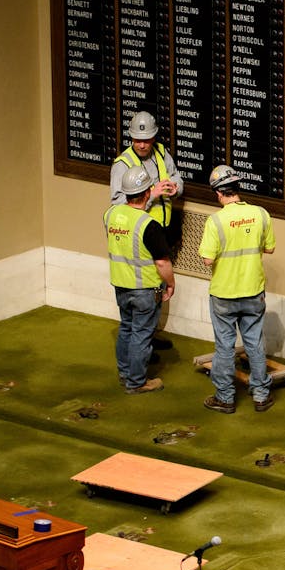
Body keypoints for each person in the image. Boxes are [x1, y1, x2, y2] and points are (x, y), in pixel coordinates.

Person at [198, 165, 276, 413]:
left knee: (225, 346)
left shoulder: (215, 221)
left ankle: (225, 398)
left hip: (224, 294)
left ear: (218, 194)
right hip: (253, 290)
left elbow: (208, 259)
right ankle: (261, 396)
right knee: (254, 342)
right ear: (237, 189)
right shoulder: (261, 214)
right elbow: (270, 248)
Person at [111, 111, 183, 349]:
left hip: (162, 228)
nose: (141, 144)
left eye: (146, 139)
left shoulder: (162, 152)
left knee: (157, 285)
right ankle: (143, 342)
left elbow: (175, 176)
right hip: (140, 233)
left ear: (154, 137)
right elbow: (118, 204)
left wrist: (175, 188)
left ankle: (148, 335)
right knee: (145, 286)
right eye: (137, 139)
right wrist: (151, 195)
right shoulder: (123, 164)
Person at [106, 165, 175, 394]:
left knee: (126, 328)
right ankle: (137, 382)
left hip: (121, 286)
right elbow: (162, 263)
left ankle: (125, 374)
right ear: (148, 193)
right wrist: (171, 284)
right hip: (145, 288)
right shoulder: (149, 225)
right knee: (142, 334)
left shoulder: (110, 215)